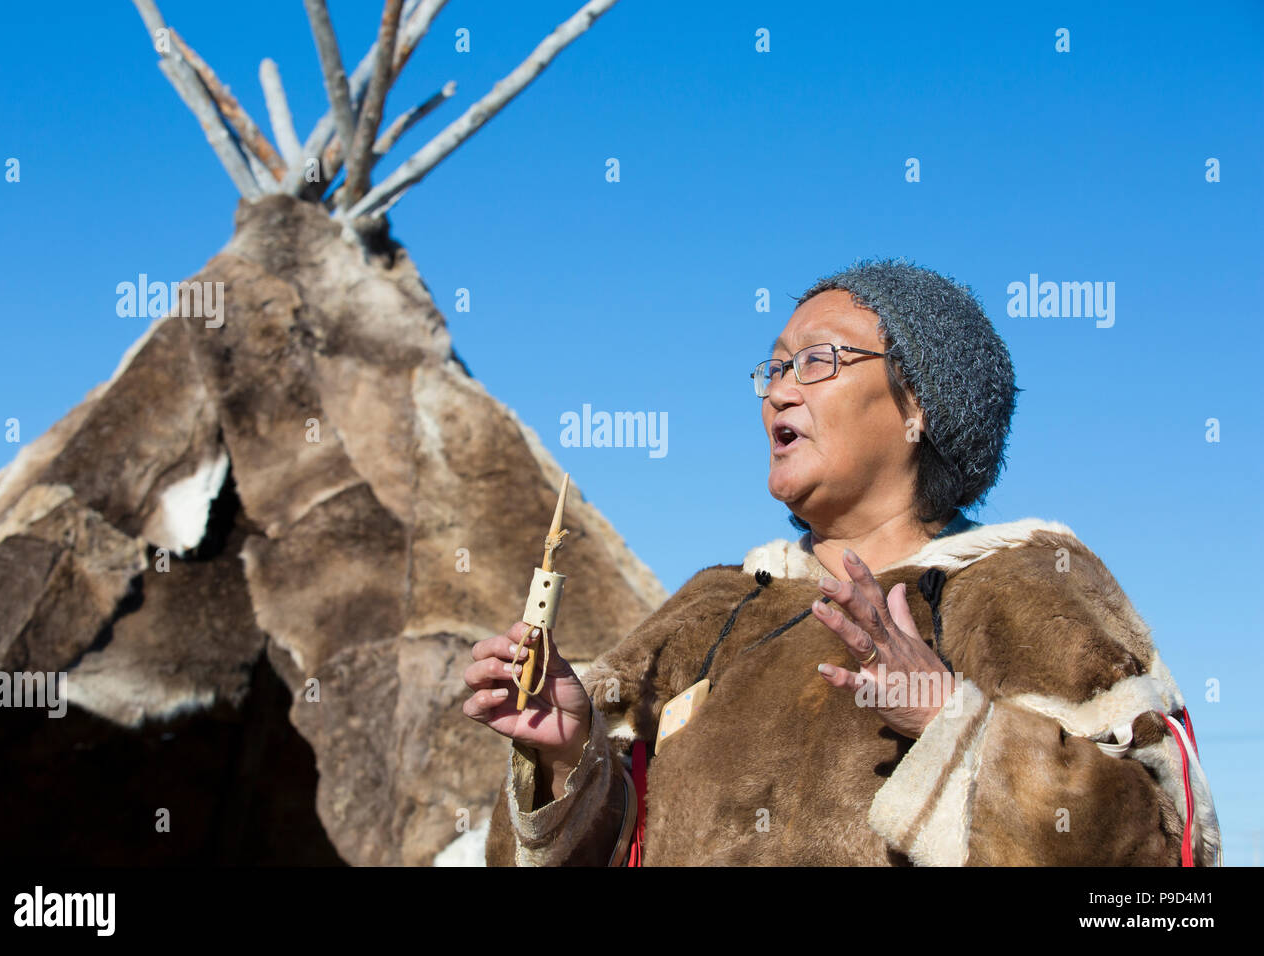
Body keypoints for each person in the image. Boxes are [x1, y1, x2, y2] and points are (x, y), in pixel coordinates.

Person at [462, 258, 1221, 866]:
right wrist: (570, 762)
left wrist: (949, 722)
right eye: (774, 368)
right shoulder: (709, 614)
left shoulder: (1026, 590)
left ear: (919, 406)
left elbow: (1160, 866)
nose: (778, 393)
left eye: (817, 362)